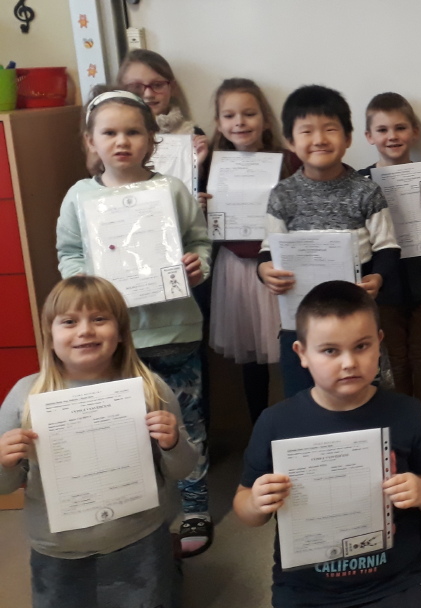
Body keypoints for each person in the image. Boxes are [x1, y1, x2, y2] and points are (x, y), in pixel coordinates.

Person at [234, 281, 421, 608]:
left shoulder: (407, 413)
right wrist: (256, 502)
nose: (349, 362)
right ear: (301, 353)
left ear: (380, 343)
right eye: (330, 351)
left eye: (362, 346)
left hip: (395, 587)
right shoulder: (276, 422)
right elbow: (244, 505)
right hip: (307, 598)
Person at [0, 276, 197, 608]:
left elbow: (183, 469)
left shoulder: (150, 389)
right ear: (50, 334)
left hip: (137, 539)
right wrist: (5, 463)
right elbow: (4, 488)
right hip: (59, 550)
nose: (85, 331)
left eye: (100, 319)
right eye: (69, 321)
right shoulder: (25, 396)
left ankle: (168, 566)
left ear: (121, 332)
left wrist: (173, 442)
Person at [56, 89, 213, 556]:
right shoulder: (80, 196)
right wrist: (84, 281)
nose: (121, 141)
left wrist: (197, 265)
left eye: (132, 132)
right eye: (109, 133)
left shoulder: (171, 190)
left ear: (151, 139)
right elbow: (68, 252)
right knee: (122, 428)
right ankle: (136, 510)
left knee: (184, 422)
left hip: (174, 332)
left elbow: (200, 242)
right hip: (110, 339)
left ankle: (195, 506)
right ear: (91, 141)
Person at [256, 85, 401, 397]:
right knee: (303, 402)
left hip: (355, 323)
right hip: (299, 325)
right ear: (290, 141)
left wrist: (378, 277)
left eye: (330, 129)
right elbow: (268, 251)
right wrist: (264, 270)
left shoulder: (367, 191)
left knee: (363, 400)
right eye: (307, 131)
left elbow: (387, 247)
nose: (319, 139)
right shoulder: (282, 195)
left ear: (347, 138)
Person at [200, 78, 300, 425]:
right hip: (236, 268)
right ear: (218, 123)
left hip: (279, 266)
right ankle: (260, 428)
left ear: (266, 119)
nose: (239, 122)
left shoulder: (289, 160)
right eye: (229, 116)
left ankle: (300, 428)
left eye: (249, 114)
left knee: (294, 351)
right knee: (252, 360)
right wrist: (200, 202)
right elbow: (194, 223)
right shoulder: (210, 165)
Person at [359, 92, 421, 422]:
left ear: (414, 132)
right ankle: (402, 428)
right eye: (383, 129)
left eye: (400, 128)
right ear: (369, 136)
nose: (392, 136)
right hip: (383, 288)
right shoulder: (359, 183)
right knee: (395, 360)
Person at [117, 49, 208, 164]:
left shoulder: (194, 136)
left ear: (172, 88)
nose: (148, 94)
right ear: (122, 90)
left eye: (157, 85)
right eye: (136, 87)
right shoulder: (112, 137)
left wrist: (196, 167)